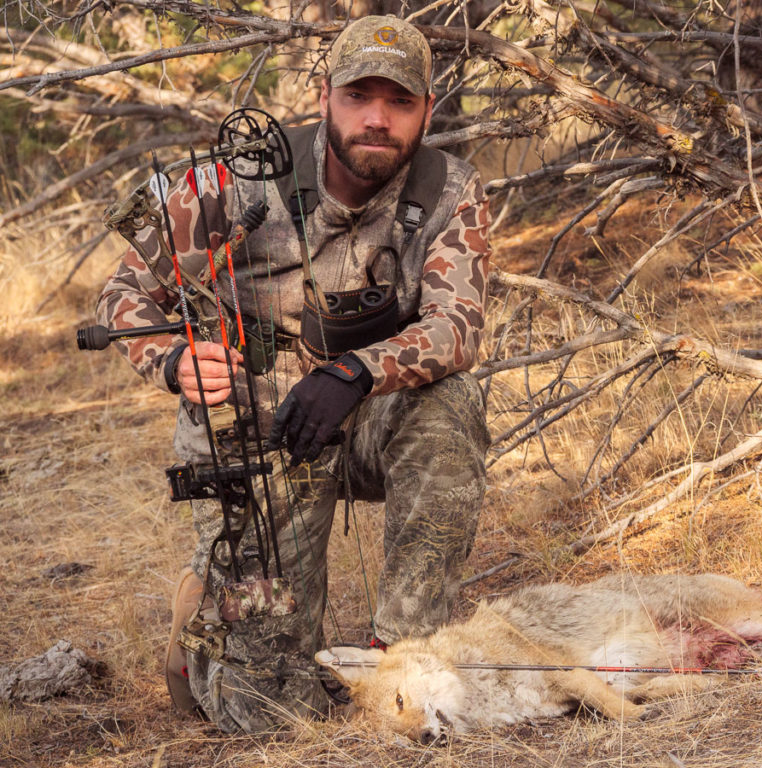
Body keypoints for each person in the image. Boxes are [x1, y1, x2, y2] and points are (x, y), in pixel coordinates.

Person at [96, 15, 490, 733]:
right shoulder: (231, 179)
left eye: (400, 102)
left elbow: (456, 327)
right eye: (358, 96)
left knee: (450, 405)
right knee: (271, 715)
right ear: (323, 96)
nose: (377, 118)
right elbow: (122, 294)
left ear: (427, 110)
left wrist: (356, 372)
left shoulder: (447, 189)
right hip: (260, 433)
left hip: (366, 412)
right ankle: (202, 628)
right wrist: (177, 361)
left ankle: (399, 657)